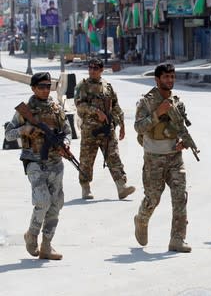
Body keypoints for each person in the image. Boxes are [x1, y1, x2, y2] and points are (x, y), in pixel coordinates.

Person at [5, 72, 72, 260]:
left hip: (55, 163)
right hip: (34, 161)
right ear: (33, 88)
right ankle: (32, 234)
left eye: (47, 86)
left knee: (56, 204)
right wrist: (24, 130)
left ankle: (47, 245)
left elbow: (67, 131)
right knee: (42, 200)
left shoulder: (56, 107)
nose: (44, 90)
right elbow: (8, 135)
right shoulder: (25, 110)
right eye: (41, 86)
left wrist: (64, 144)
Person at [133, 63, 196, 252]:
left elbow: (181, 128)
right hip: (154, 157)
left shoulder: (177, 101)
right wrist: (158, 113)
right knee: (153, 197)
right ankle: (141, 219)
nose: (170, 80)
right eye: (166, 77)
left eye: (172, 76)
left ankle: (177, 239)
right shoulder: (147, 101)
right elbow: (138, 127)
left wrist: (183, 142)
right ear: (157, 79)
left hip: (175, 157)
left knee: (180, 196)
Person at [74, 58, 135, 200]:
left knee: (113, 157)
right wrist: (96, 111)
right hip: (90, 130)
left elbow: (115, 106)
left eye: (95, 68)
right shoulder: (83, 86)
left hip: (108, 129)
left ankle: (122, 187)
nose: (92, 71)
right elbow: (79, 105)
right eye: (90, 68)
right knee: (87, 160)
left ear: (101, 70)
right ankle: (85, 187)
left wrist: (122, 125)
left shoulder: (107, 86)